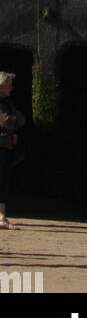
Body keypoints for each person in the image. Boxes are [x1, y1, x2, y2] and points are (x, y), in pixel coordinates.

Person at [0, 72, 25, 229]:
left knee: (3, 179)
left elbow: (20, 118)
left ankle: (1, 215)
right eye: (9, 84)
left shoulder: (7, 102)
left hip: (5, 145)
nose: (12, 87)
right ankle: (1, 217)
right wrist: (13, 118)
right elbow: (7, 122)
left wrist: (13, 118)